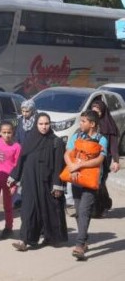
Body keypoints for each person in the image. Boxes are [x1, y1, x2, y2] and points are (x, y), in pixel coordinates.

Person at [7, 113, 67, 252]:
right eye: (41, 124)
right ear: (36, 125)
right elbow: (21, 160)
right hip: (30, 180)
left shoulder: (56, 142)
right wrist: (14, 176)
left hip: (47, 182)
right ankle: (24, 240)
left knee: (48, 209)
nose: (44, 127)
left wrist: (57, 185)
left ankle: (50, 236)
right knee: (28, 210)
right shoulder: (30, 140)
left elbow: (59, 165)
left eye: (46, 124)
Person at [64, 110, 107, 260]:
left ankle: (79, 245)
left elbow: (99, 160)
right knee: (79, 210)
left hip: (90, 181)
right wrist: (72, 167)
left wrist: (80, 166)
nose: (80, 124)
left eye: (83, 121)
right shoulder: (76, 136)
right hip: (76, 179)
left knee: (83, 210)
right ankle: (84, 239)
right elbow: (67, 153)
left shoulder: (101, 140)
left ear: (92, 124)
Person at [90, 99, 120, 218]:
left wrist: (116, 161)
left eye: (98, 112)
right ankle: (98, 206)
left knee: (100, 182)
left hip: (104, 159)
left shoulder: (109, 125)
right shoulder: (90, 123)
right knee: (93, 183)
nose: (96, 114)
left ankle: (104, 206)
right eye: (94, 112)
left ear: (103, 112)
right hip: (91, 157)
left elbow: (113, 145)